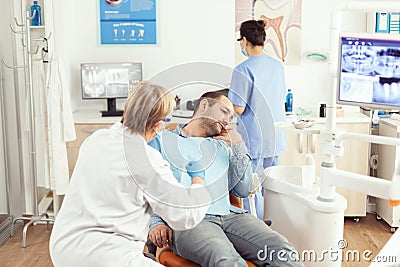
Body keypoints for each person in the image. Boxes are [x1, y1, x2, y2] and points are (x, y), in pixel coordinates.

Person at [49, 81, 211, 267]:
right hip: (107, 257)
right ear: (158, 126)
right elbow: (185, 216)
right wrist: (199, 183)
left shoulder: (94, 141)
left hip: (63, 249)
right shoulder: (149, 161)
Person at [148, 92, 302, 267]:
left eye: (231, 116)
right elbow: (149, 187)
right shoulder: (163, 141)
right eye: (223, 111)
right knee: (227, 258)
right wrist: (156, 222)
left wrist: (238, 146)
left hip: (231, 216)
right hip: (191, 220)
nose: (227, 119)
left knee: (281, 249)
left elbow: (243, 190)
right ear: (204, 105)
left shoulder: (223, 145)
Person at [229, 19, 287, 219]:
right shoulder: (277, 67)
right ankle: (275, 223)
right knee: (273, 184)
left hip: (254, 137)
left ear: (244, 40)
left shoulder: (243, 70)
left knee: (251, 186)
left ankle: (255, 227)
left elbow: (238, 107)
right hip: (275, 134)